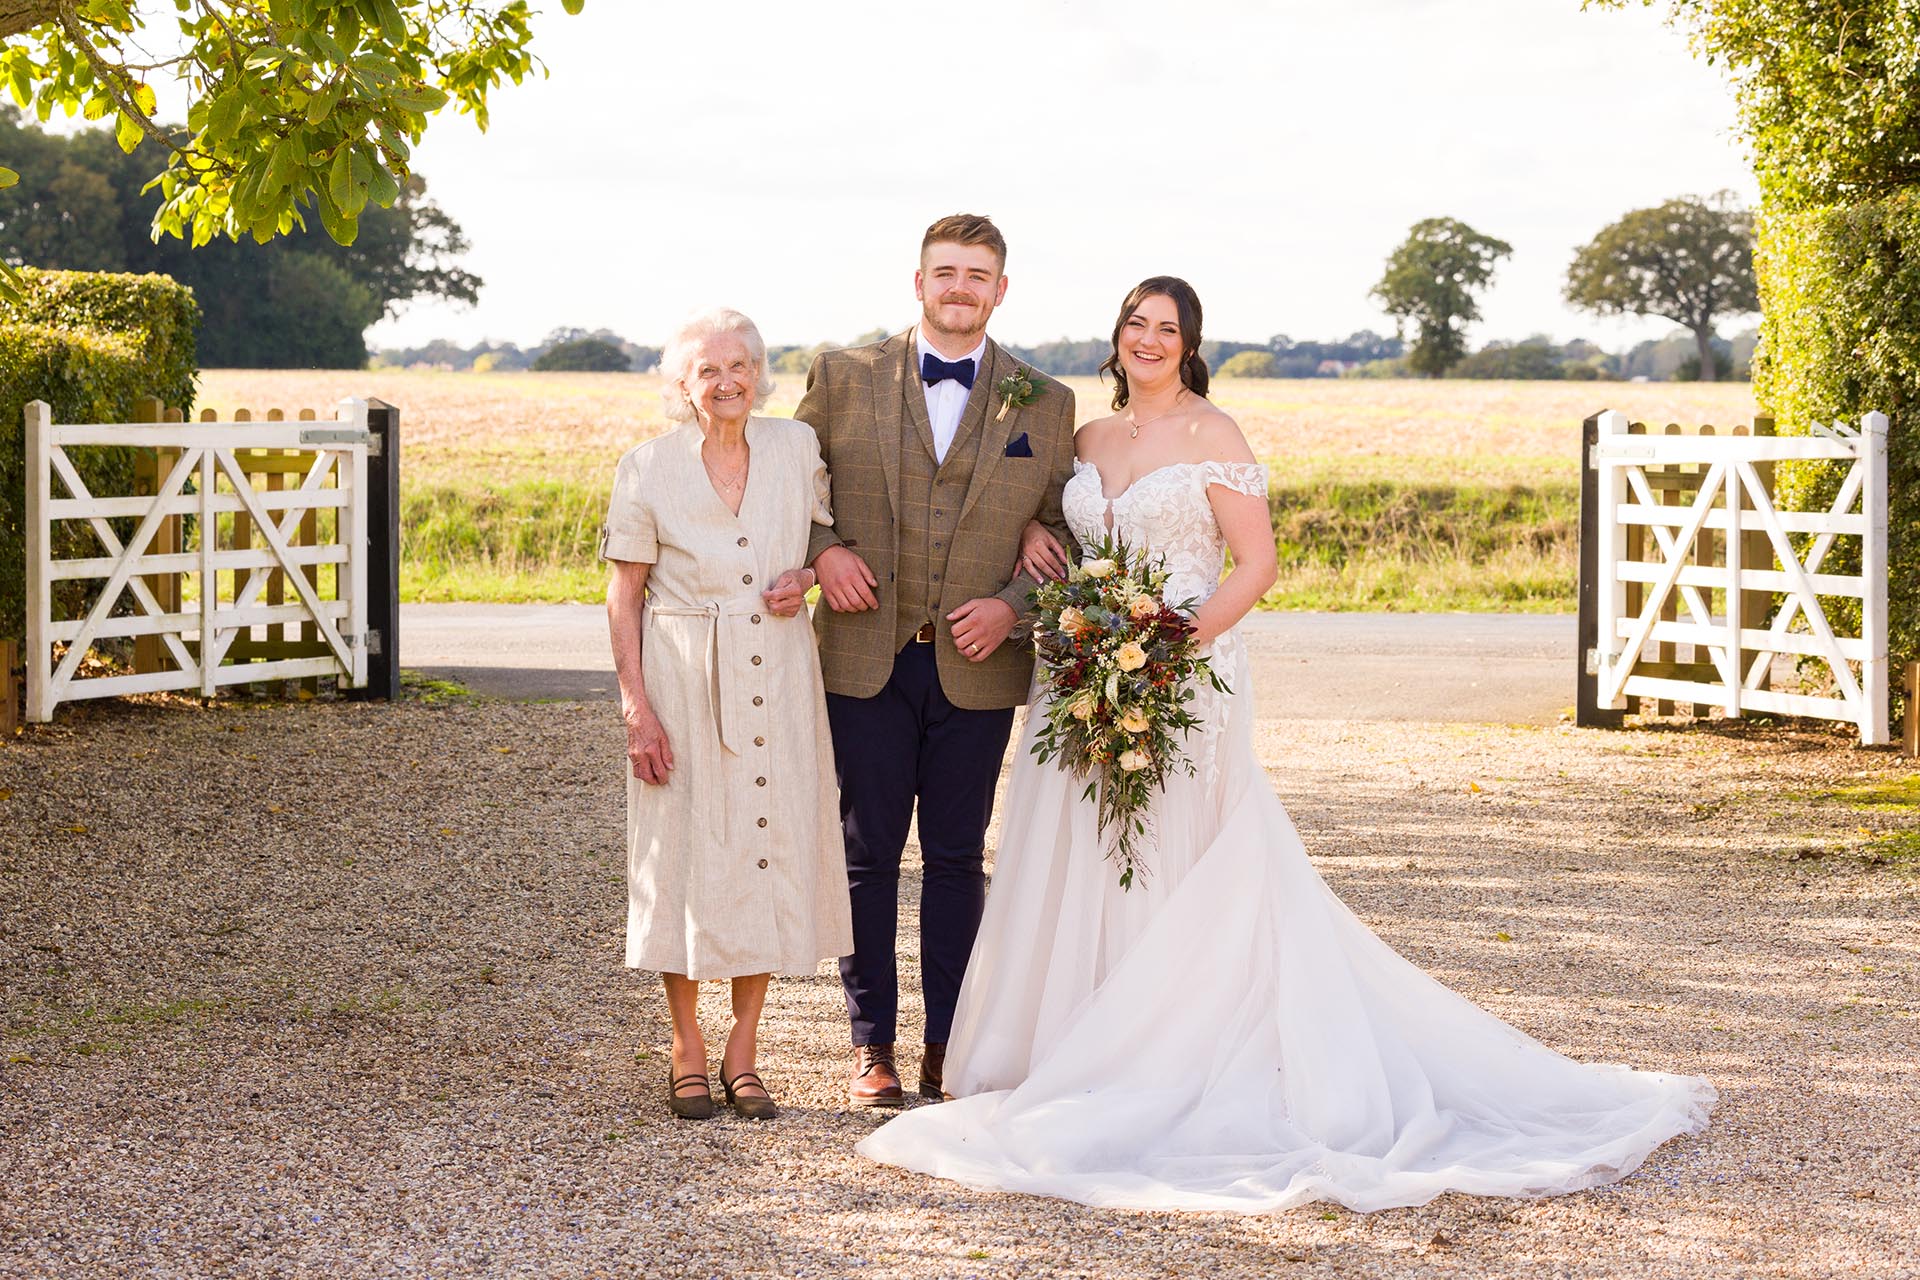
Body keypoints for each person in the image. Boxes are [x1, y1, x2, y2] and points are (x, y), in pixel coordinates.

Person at [857, 277, 1715, 1211]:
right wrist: (1032, 528)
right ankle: (1074, 1044)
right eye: (1136, 325)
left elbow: (1256, 563)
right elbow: (1060, 515)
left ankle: (1176, 1053)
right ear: (1117, 338)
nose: (1149, 340)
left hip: (1179, 673)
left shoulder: (1214, 435)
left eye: (1168, 330)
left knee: (1174, 858)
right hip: (1077, 679)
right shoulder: (1089, 438)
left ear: (1190, 346)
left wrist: (1168, 650)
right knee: (1078, 860)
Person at [798, 214, 1077, 1107]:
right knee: (866, 854)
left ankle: (949, 1045)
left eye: (978, 275)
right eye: (945, 272)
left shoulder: (1045, 399)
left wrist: (1013, 606)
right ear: (917, 283)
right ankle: (871, 1047)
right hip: (864, 656)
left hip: (979, 663)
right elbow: (790, 493)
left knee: (958, 858)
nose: (961, 287)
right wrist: (825, 548)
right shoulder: (842, 376)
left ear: (1001, 291)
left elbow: (1075, 530)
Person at [602, 307, 852, 1122]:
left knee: (763, 847)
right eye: (708, 370)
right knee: (681, 855)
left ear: (759, 374)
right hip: (680, 674)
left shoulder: (795, 448)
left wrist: (807, 577)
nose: (728, 380)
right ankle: (686, 1044)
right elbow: (624, 594)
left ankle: (745, 1046)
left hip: (778, 672)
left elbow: (822, 539)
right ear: (682, 386)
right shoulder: (644, 467)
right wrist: (637, 708)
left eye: (740, 365)